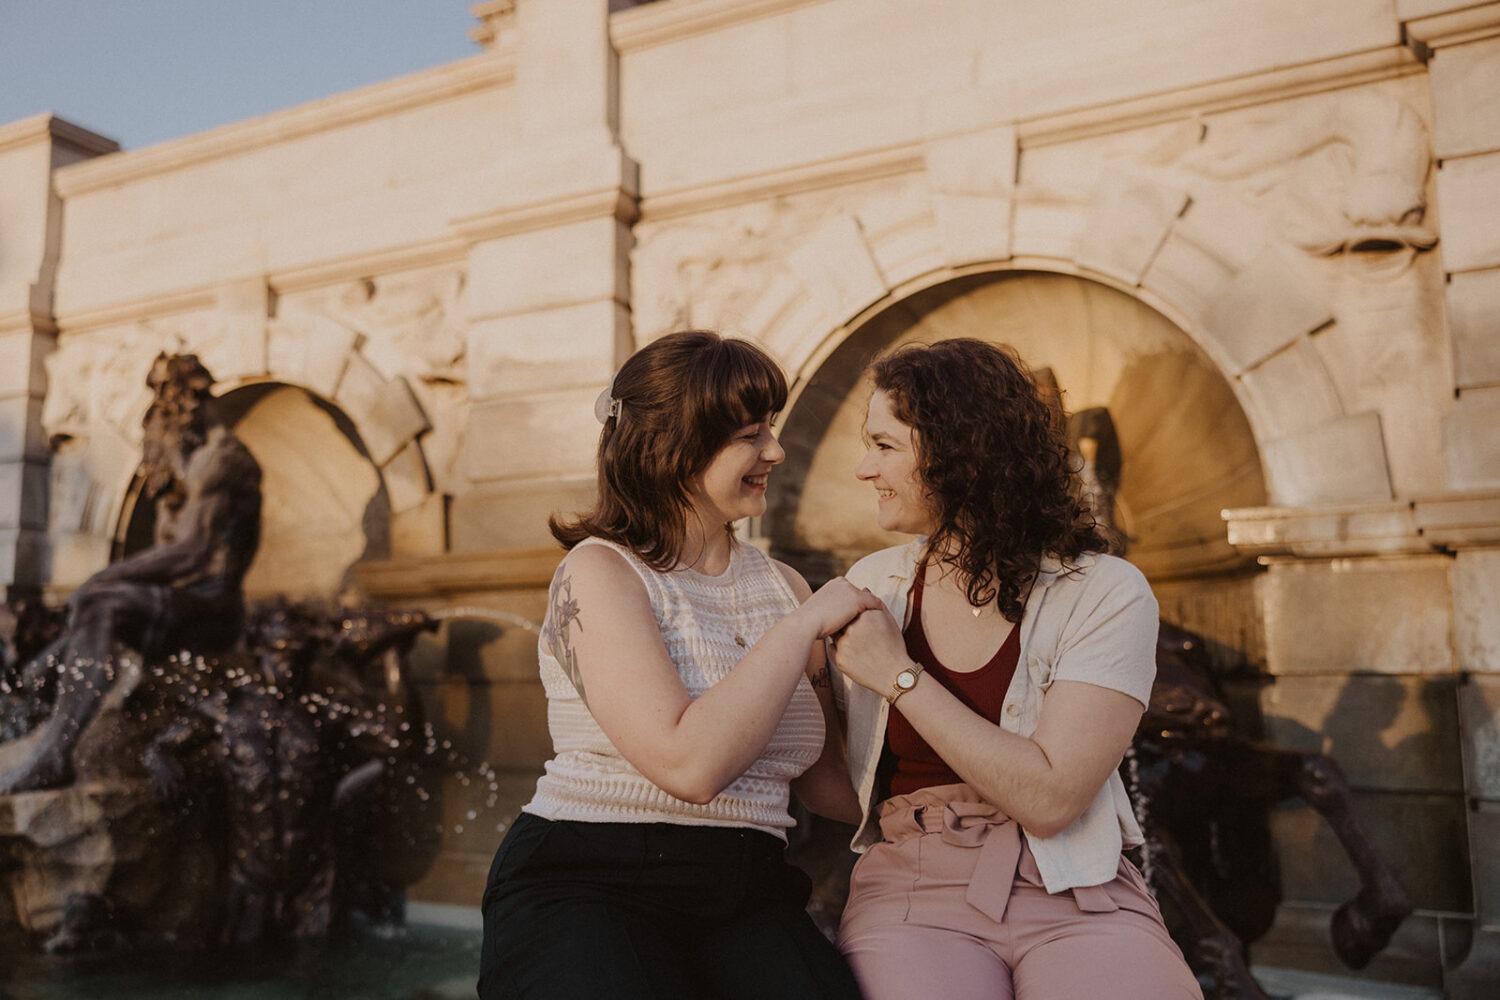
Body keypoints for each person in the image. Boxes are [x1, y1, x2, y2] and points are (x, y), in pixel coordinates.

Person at [478, 332, 875, 1000]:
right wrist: (801, 629)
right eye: (751, 435)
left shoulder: (786, 587)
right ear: (675, 448)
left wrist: (971, 790)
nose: (775, 451)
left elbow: (831, 788)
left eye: (771, 429)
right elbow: (688, 765)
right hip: (593, 880)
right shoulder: (601, 573)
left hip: (748, 889)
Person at [828, 338, 1202, 999]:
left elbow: (1051, 800)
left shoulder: (1106, 590)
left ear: (957, 453)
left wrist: (901, 678)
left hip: (1077, 885)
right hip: (916, 887)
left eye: (885, 446)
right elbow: (833, 788)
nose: (864, 468)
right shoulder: (873, 586)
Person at [0, 353, 262, 793]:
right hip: (177, 603)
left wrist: (98, 581)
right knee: (40, 668)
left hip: (211, 608)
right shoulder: (183, 465)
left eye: (152, 443)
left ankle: (56, 753)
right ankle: (39, 737)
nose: (148, 458)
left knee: (100, 601)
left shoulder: (221, 460)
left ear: (181, 408)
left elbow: (193, 552)